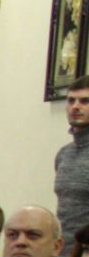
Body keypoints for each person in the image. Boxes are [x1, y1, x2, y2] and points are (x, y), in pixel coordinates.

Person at [56, 77, 89, 238]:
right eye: (71, 101)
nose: (75, 107)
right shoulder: (63, 154)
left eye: (85, 101)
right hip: (62, 254)